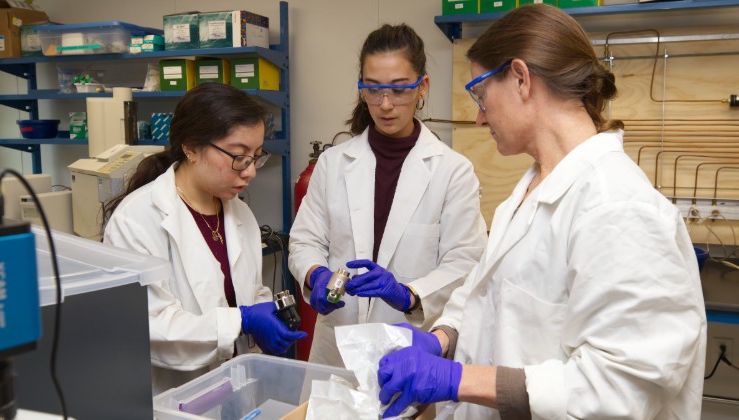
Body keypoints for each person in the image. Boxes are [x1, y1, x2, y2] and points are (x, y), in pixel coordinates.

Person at [376, 5, 707, 419]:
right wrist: (443, 337)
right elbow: (484, 296)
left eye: (480, 94)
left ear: (520, 79)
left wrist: (458, 379)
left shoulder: (618, 206)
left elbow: (621, 387)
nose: (479, 118)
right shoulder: (532, 189)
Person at [288, 23, 488, 368]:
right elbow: (304, 241)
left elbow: (465, 262)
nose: (384, 104)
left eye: (399, 90)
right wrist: (315, 274)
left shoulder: (453, 171)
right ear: (361, 88)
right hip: (337, 342)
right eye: (373, 89)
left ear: (422, 86)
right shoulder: (333, 163)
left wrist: (409, 294)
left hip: (407, 344)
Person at [103, 82, 306, 395]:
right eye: (239, 156)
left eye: (256, 156)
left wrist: (266, 315)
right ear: (191, 147)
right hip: (175, 396)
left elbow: (249, 289)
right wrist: (242, 320)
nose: (250, 172)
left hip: (236, 388)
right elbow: (150, 326)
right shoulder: (138, 220)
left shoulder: (239, 213)